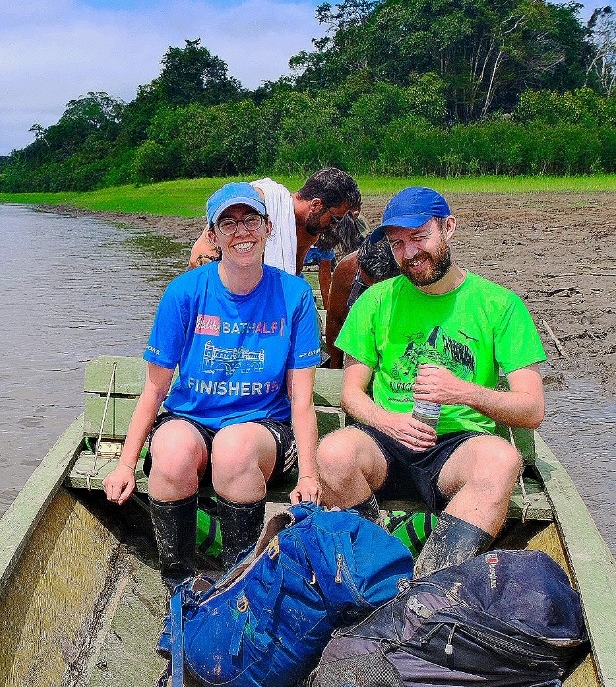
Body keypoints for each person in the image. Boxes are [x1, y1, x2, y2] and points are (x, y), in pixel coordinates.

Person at [315, 186, 546, 577]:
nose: (409, 254)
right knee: (334, 452)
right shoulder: (375, 301)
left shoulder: (499, 305)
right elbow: (351, 393)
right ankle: (375, 573)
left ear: (448, 228)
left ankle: (428, 586)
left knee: (502, 460)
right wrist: (387, 421)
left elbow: (532, 408)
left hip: (458, 445)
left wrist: (462, 391)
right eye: (397, 243)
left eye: (419, 237)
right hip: (387, 439)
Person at [105, 182, 323, 589]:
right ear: (213, 235)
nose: (242, 232)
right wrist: (125, 464)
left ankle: (238, 585)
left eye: (251, 220)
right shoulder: (185, 292)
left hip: (262, 430)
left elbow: (303, 399)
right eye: (229, 223)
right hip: (191, 419)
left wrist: (309, 475)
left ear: (268, 228)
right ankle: (180, 586)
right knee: (169, 452)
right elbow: (154, 389)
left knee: (234, 448)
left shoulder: (294, 295)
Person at [187, 168, 360, 276]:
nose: (336, 225)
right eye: (335, 218)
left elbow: (292, 275)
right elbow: (199, 256)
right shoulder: (261, 200)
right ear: (316, 204)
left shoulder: (310, 233)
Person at [324, 237, 400, 368]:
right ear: (359, 263)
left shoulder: (409, 271)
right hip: (360, 342)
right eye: (370, 283)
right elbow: (335, 320)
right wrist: (335, 365)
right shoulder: (346, 269)